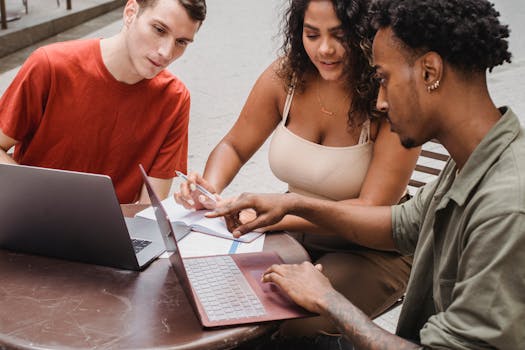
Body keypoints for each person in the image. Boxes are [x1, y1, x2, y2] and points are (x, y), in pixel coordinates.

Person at [209, 0, 525, 348]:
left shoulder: (508, 206)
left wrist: (328, 300)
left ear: (429, 72)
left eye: (384, 79)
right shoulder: (470, 163)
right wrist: (292, 205)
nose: (381, 101)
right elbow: (400, 224)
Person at [175, 0, 420, 338]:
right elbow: (234, 145)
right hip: (294, 230)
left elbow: (371, 209)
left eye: (339, 34)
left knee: (296, 321)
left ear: (364, 32)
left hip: (372, 249)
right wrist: (209, 189)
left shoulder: (386, 96)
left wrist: (275, 214)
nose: (325, 49)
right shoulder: (285, 77)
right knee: (211, 286)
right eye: (311, 34)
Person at [0, 0, 206, 204]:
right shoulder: (51, 65)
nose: (166, 52)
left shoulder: (175, 98)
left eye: (181, 42)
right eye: (159, 30)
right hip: (33, 218)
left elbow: (149, 207)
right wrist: (36, 200)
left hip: (116, 231)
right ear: (130, 12)